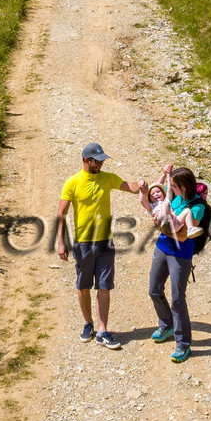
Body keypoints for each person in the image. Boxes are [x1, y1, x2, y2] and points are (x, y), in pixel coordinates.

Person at [55, 141, 146, 350]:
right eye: (97, 161)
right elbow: (61, 214)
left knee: (104, 287)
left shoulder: (107, 178)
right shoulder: (73, 182)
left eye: (102, 160)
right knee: (83, 286)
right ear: (87, 160)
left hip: (105, 242)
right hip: (83, 244)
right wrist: (61, 242)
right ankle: (88, 323)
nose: (101, 164)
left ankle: (103, 331)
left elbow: (130, 187)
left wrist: (140, 185)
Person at [148, 165, 206, 364]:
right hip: (162, 248)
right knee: (154, 290)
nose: (170, 188)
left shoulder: (198, 207)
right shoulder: (175, 196)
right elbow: (156, 199)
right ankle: (167, 324)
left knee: (177, 299)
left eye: (173, 185)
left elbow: (183, 237)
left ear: (183, 186)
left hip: (181, 255)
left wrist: (160, 227)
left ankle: (183, 343)